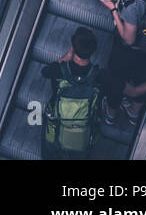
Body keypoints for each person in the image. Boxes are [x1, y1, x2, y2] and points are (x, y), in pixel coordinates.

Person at [40, 27, 109, 158]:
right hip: (83, 132)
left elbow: (45, 71)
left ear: (73, 47)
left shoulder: (58, 70)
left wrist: (67, 56)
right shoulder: (100, 76)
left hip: (56, 126)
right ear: (93, 50)